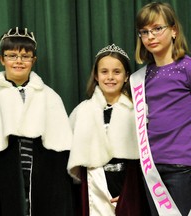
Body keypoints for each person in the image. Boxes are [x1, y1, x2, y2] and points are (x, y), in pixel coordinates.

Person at [0, 27, 75, 216]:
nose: (18, 61)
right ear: (2, 59)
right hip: (0, 176)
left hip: (41, 177)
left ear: (34, 60)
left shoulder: (50, 97)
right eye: (12, 55)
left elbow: (60, 154)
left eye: (25, 56)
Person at [67, 44, 150, 216]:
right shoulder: (81, 112)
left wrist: (129, 195)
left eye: (117, 72)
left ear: (127, 76)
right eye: (104, 72)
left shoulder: (139, 111)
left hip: (129, 191)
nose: (110, 77)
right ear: (96, 76)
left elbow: (145, 164)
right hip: (93, 192)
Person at [130, 2, 191, 216]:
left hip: (182, 165)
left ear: (173, 30)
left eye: (157, 29)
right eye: (144, 32)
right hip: (151, 166)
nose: (150, 36)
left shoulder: (187, 68)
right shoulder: (142, 77)